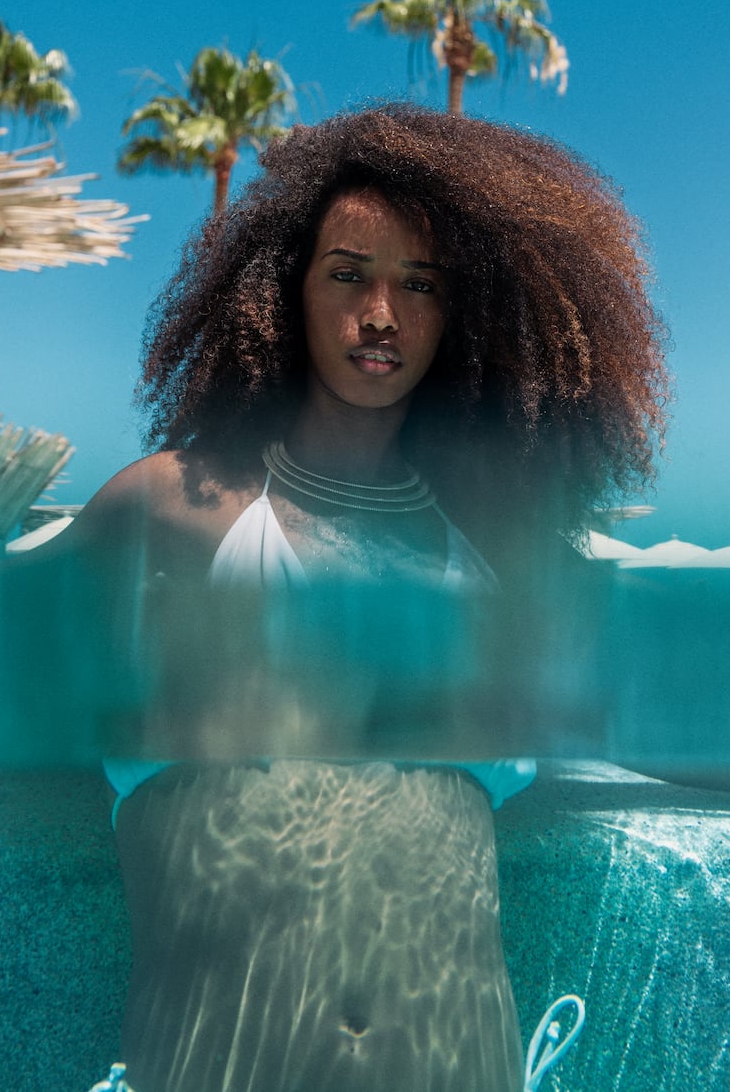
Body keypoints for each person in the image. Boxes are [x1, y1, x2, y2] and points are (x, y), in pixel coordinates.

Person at [63, 104, 667, 1092]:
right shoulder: (171, 513)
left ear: (460, 319)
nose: (379, 314)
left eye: (418, 285)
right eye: (347, 273)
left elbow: (716, 725)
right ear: (280, 289)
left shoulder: (497, 573)